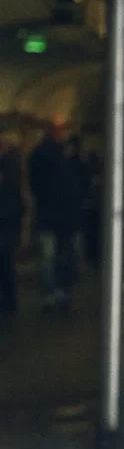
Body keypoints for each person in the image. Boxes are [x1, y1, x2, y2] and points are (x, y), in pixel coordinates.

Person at [27, 118, 80, 311]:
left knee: (51, 257)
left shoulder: (40, 155)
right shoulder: (63, 156)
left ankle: (53, 292)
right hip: (60, 216)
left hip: (51, 215)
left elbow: (35, 185)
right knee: (59, 256)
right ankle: (57, 291)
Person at [0, 133, 23, 315]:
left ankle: (8, 302)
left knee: (5, 264)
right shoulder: (14, 168)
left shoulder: (9, 169)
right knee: (6, 264)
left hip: (6, 223)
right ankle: (9, 302)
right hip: (8, 223)